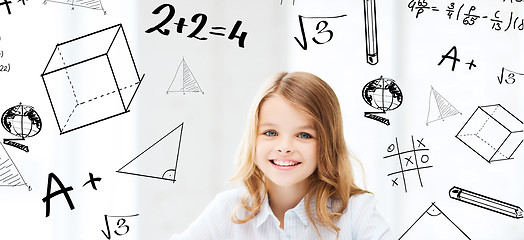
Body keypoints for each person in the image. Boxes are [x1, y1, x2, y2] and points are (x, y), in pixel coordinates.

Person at [170, 72, 392, 239]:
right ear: (253, 139)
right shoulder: (228, 210)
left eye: (304, 135)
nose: (285, 147)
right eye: (270, 133)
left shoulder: (355, 212)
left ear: (327, 143)